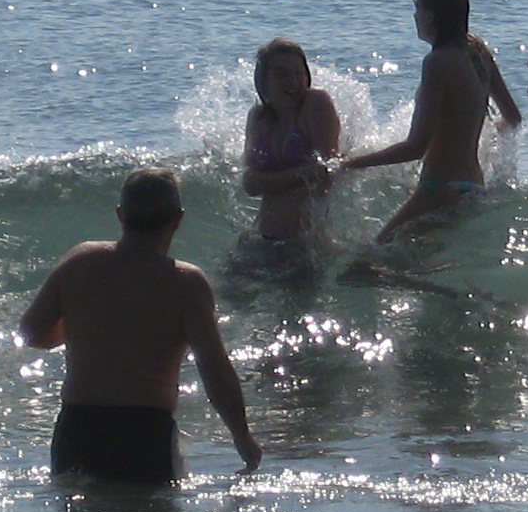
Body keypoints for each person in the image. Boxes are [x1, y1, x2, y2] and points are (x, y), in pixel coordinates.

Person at [20, 167, 262, 482]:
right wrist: (241, 436)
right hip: (145, 433)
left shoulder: (80, 261)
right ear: (178, 220)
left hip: (78, 429)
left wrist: (86, 327)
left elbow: (32, 333)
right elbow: (214, 367)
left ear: (120, 216)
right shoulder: (185, 282)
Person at [337, 0, 522, 244]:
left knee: (371, 259)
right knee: (425, 261)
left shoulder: (437, 62)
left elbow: (416, 148)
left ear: (431, 16)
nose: (415, 16)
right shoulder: (478, 51)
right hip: (474, 187)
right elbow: (512, 118)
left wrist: (350, 163)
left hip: (440, 189)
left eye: (418, 9)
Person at [239, 37, 342, 244]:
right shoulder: (259, 117)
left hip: (304, 240)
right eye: (282, 73)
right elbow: (249, 184)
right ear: (263, 79)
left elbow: (325, 174)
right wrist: (300, 173)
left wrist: (272, 180)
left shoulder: (316, 103)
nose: (293, 81)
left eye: (298, 72)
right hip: (261, 235)